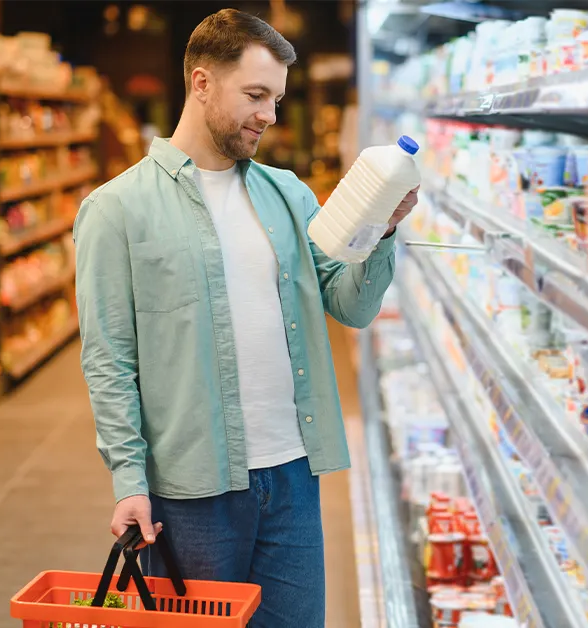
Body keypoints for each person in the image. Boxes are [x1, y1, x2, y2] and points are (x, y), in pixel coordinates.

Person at [73, 8, 418, 626]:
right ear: (202, 83)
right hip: (191, 491)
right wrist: (129, 478)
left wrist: (382, 231)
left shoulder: (287, 194)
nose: (269, 114)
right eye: (256, 95)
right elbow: (108, 360)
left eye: (277, 100)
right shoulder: (115, 209)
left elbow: (353, 306)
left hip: (292, 475)